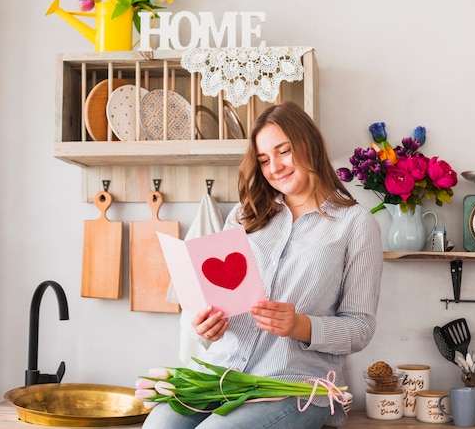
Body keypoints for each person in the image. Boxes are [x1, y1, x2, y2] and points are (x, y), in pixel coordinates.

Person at [143, 101, 383, 429]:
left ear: (309, 145)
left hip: (294, 386)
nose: (275, 167)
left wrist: (300, 325)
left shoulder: (355, 224)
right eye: (264, 159)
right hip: (221, 374)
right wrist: (207, 325)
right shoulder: (245, 215)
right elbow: (218, 302)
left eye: (283, 151)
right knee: (158, 426)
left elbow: (361, 327)